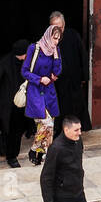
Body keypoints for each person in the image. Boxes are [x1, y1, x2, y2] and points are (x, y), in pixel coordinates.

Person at [22, 24, 62, 165]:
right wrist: (39, 79)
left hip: (49, 92)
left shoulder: (55, 50)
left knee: (46, 126)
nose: (56, 42)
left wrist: (56, 55)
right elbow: (25, 71)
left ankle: (40, 156)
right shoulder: (34, 48)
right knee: (47, 123)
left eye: (58, 39)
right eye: (54, 38)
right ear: (47, 35)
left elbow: (57, 72)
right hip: (35, 91)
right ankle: (34, 149)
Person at [0, 39, 31, 168]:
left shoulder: (26, 63)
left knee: (16, 130)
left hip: (20, 103)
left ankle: (11, 153)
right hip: (7, 104)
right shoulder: (5, 62)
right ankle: (11, 157)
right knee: (10, 130)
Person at [49, 11, 90, 132]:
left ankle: (75, 131)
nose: (58, 30)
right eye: (54, 27)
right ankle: (60, 132)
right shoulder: (47, 39)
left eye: (60, 27)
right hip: (57, 83)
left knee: (76, 107)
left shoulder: (73, 35)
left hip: (74, 79)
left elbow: (83, 56)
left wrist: (84, 76)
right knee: (59, 108)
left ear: (64, 25)